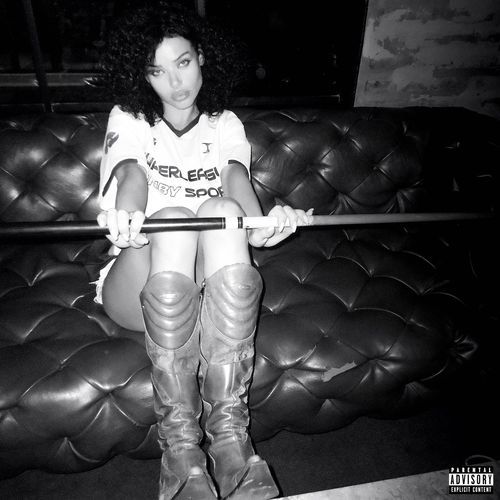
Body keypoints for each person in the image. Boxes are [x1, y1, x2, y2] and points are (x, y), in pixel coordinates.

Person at [95, 2, 312, 499]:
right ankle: (179, 448)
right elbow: (130, 173)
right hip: (140, 282)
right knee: (174, 218)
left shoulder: (224, 124)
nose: (175, 82)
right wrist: (128, 216)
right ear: (141, 76)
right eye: (157, 71)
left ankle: (231, 440)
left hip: (207, 290)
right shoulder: (129, 117)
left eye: (183, 62)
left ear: (203, 58)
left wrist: (262, 224)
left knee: (222, 210)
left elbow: (236, 180)